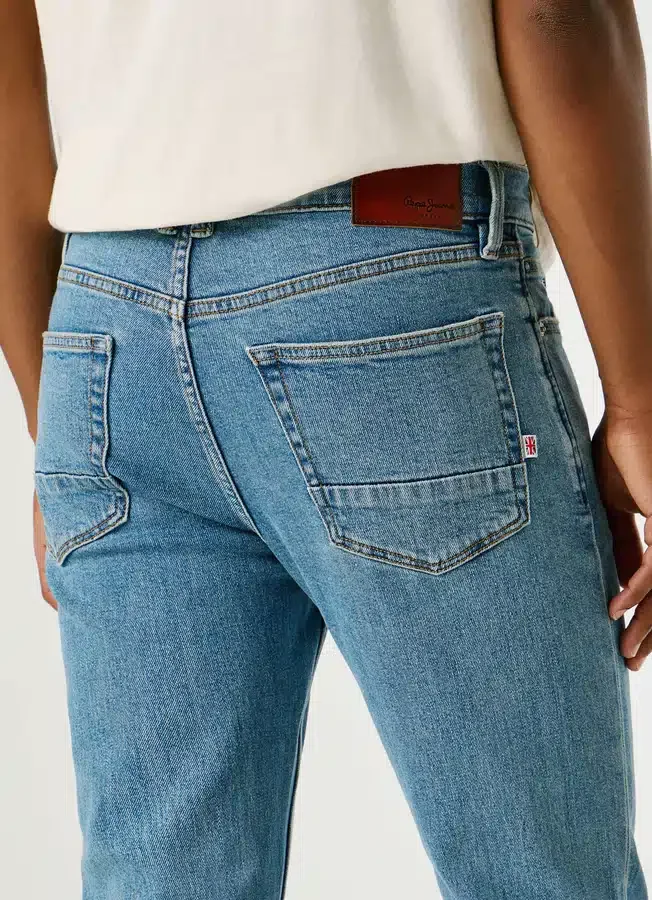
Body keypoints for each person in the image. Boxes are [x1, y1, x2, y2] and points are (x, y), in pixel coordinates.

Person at [1, 1, 650, 897]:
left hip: (106, 329)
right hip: (391, 292)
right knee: (541, 875)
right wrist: (639, 399)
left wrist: (53, 417)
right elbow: (558, 16)